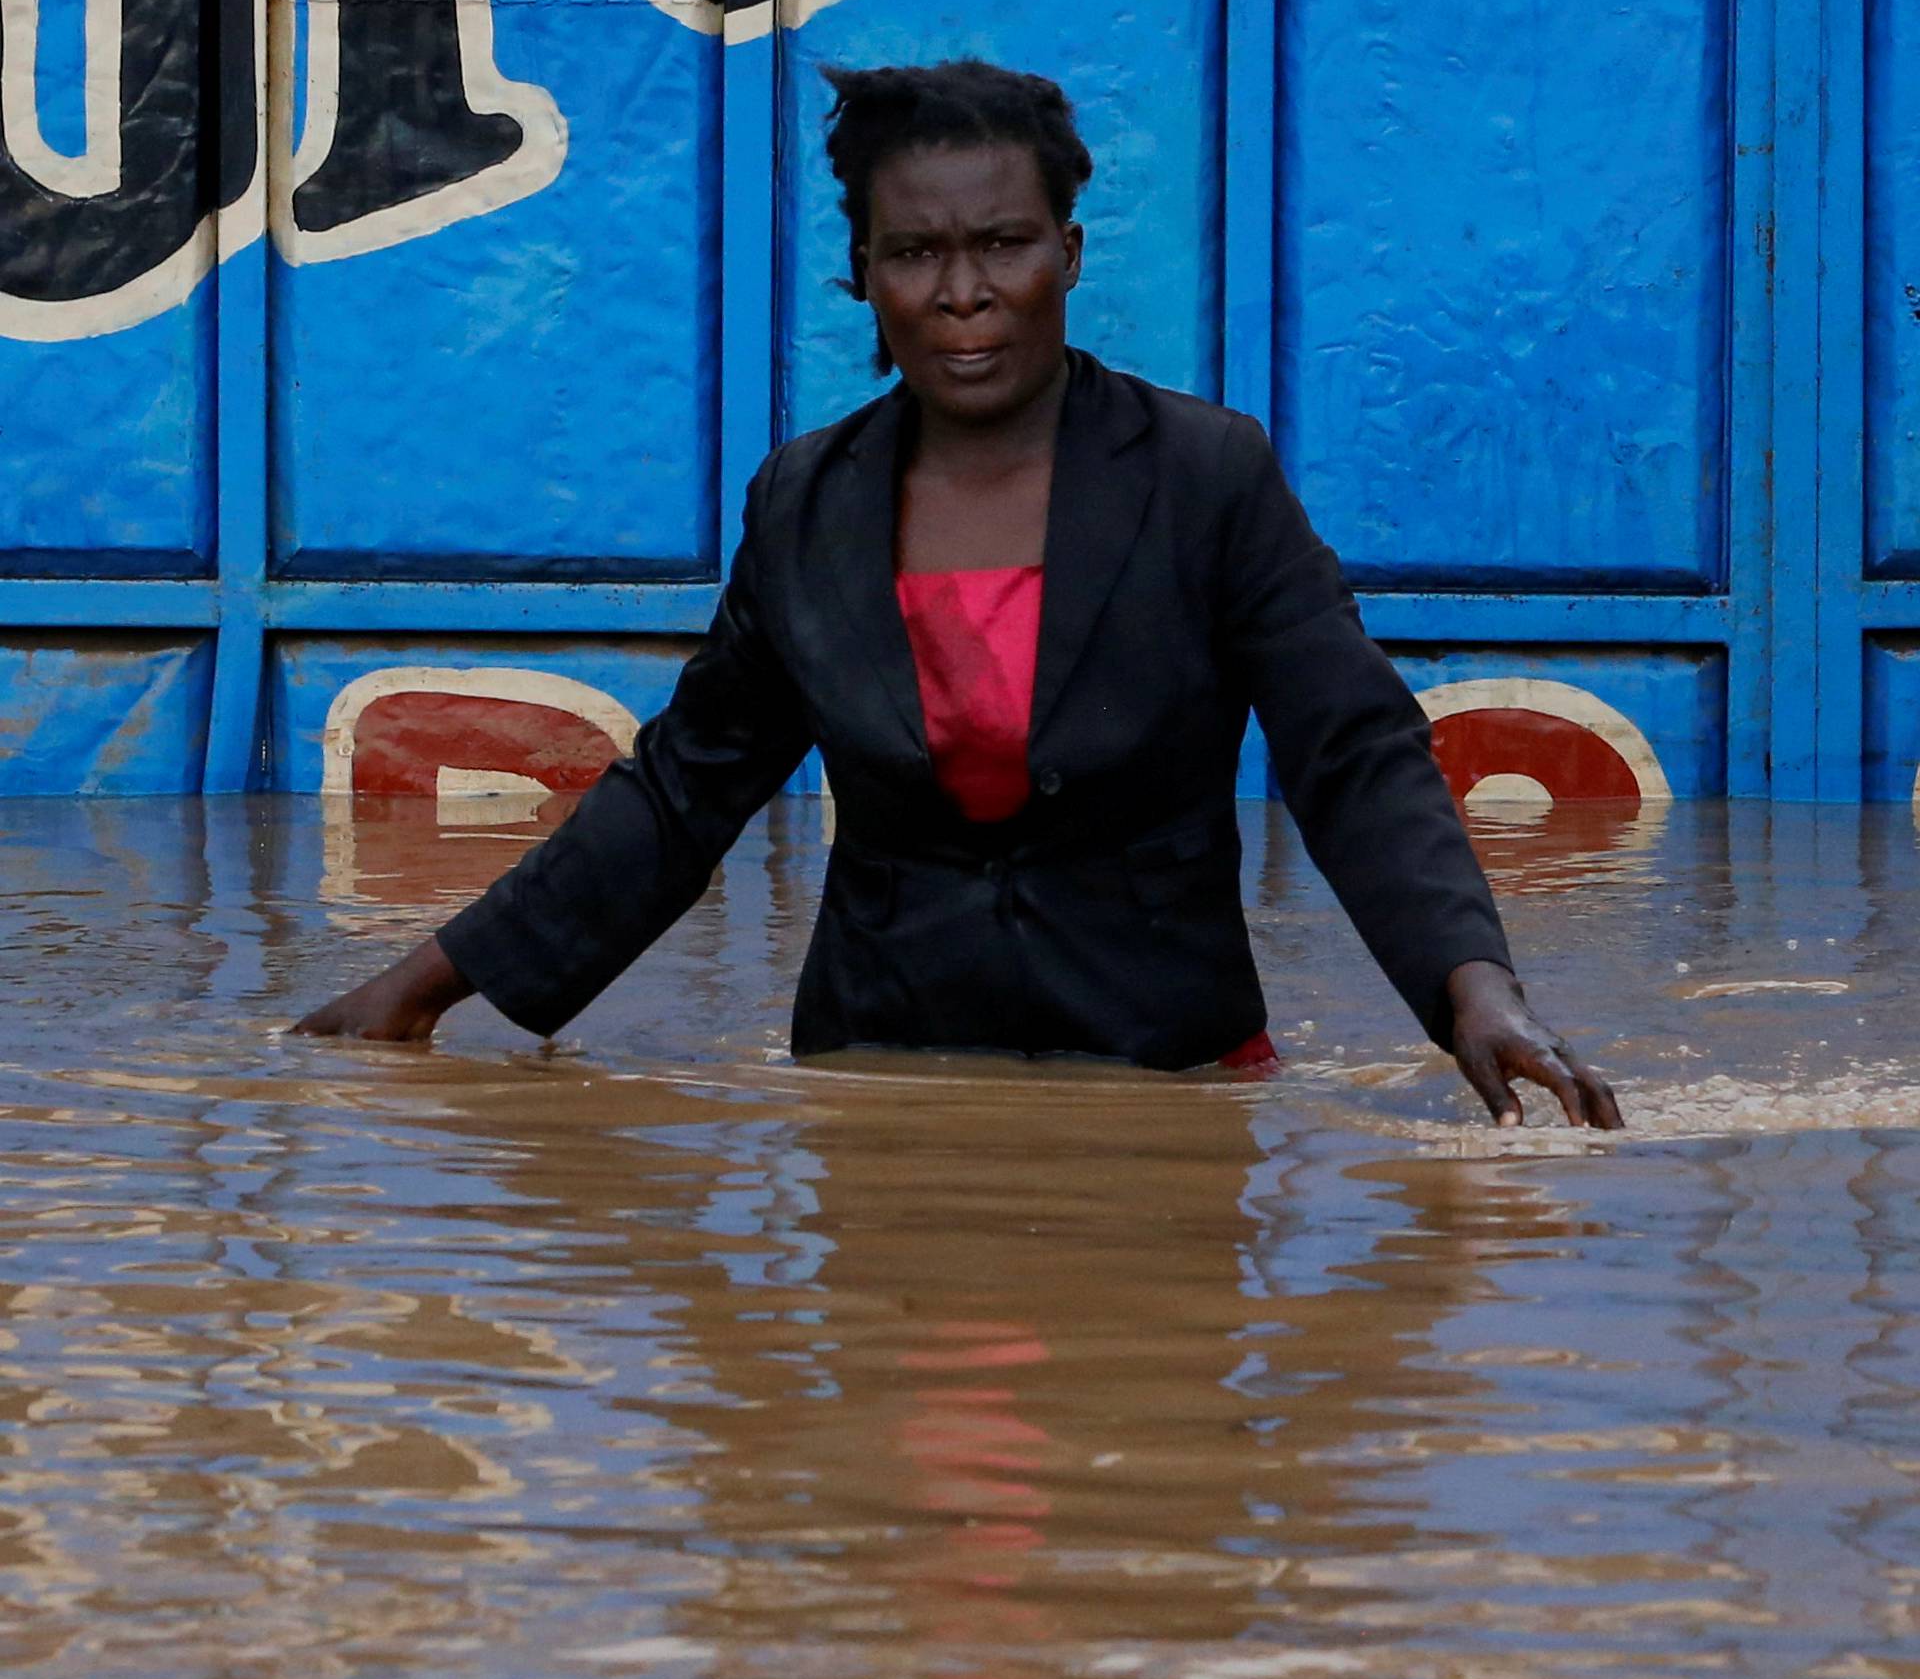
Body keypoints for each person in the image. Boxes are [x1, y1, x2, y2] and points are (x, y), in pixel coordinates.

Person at [293, 60, 1622, 1129]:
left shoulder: (1204, 477)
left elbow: (1356, 757)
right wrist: (418, 989)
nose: (966, 292)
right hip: (879, 1094)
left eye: (1005, 242)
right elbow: (680, 793)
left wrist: (1476, 998)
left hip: (1167, 1093)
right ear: (864, 278)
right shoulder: (807, 506)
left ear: (1072, 253)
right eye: (918, 253)